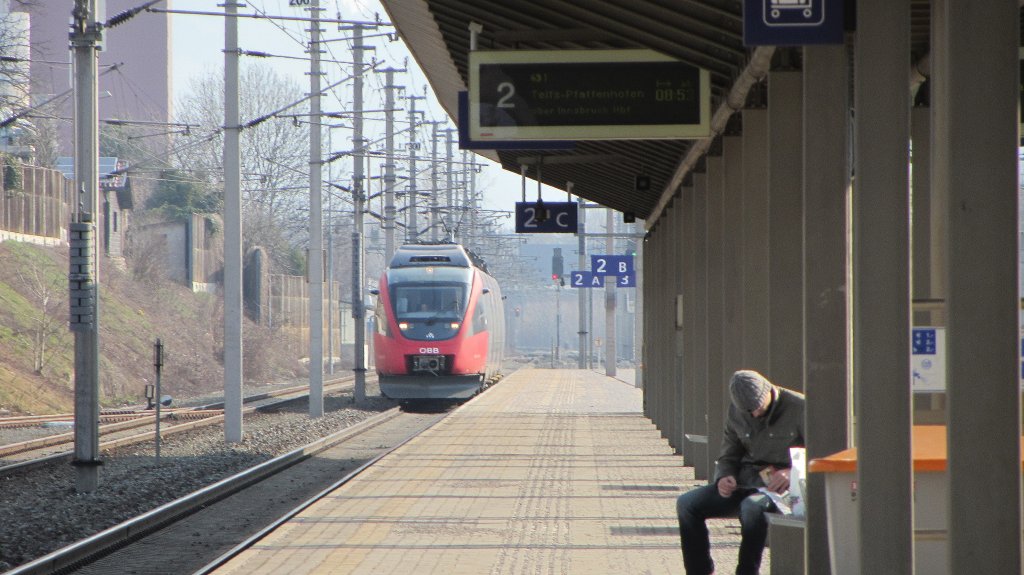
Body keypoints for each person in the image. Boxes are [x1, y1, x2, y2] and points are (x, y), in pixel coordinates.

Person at [676, 369, 805, 575]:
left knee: (751, 508)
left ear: (768, 392)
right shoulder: (738, 411)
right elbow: (729, 453)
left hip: (782, 489)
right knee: (687, 504)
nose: (753, 414)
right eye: (748, 411)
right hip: (745, 481)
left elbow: (819, 453)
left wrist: (792, 471)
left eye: (757, 408)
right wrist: (724, 477)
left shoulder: (799, 407)